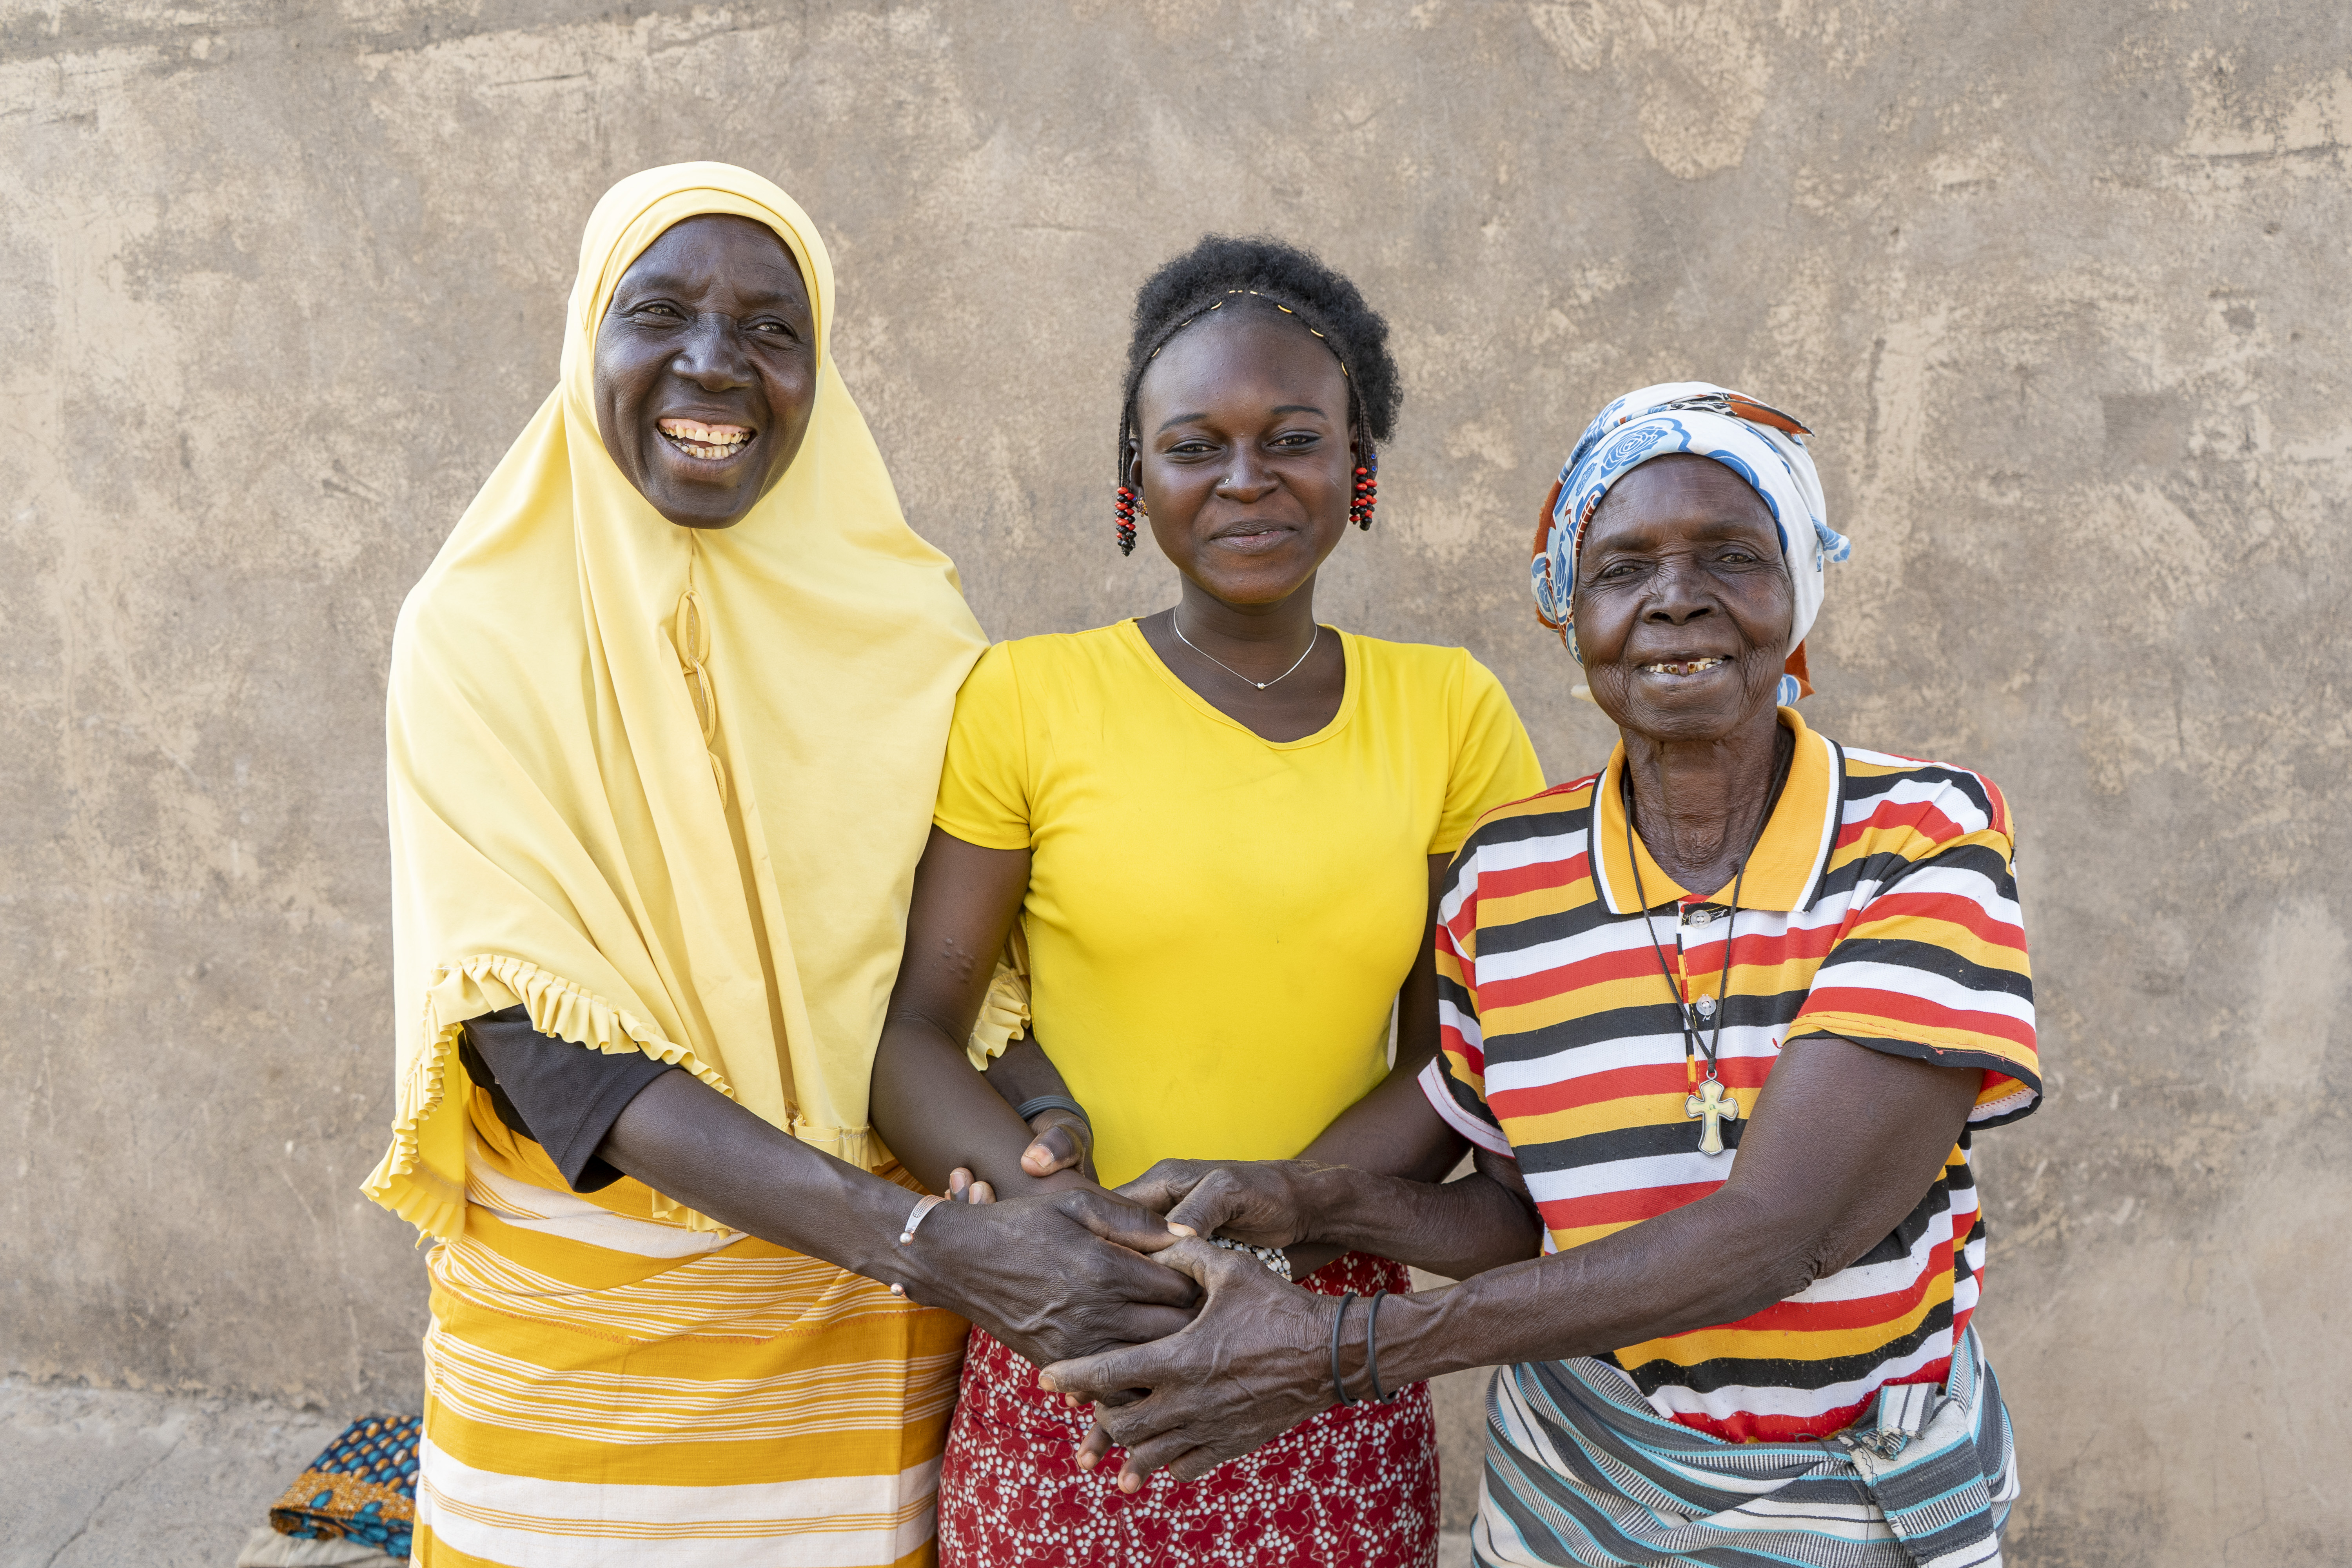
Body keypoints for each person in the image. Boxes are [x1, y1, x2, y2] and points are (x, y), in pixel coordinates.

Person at [1041, 383, 2042, 1568]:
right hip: (1572, 1496)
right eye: (1622, 570)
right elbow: (1521, 1215)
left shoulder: (1921, 837)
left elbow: (1779, 1234)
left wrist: (1343, 1347)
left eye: (1732, 555)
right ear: (1568, 612)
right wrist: (1304, 1200)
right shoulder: (1507, 878)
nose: (1677, 600)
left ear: (1798, 595)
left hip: (1852, 1503)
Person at [364, 162, 1189, 1568]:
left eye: (771, 328)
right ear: (588, 341)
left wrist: (1037, 1123)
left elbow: (946, 966)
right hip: (602, 1354)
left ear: (820, 370)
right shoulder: (478, 633)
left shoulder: (907, 622)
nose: (714, 364)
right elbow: (539, 1047)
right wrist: (931, 1240)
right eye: (661, 312)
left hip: (863, 1358)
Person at [862, 236, 1548, 1568]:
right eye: (1196, 446)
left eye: (1292, 438)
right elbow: (919, 1030)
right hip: (1069, 1324)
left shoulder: (1450, 712)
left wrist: (1284, 1207)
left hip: (1324, 1341)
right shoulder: (1027, 699)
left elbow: (1457, 1058)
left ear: (1358, 464)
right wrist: (1074, 1230)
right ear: (1138, 479)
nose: (1247, 480)